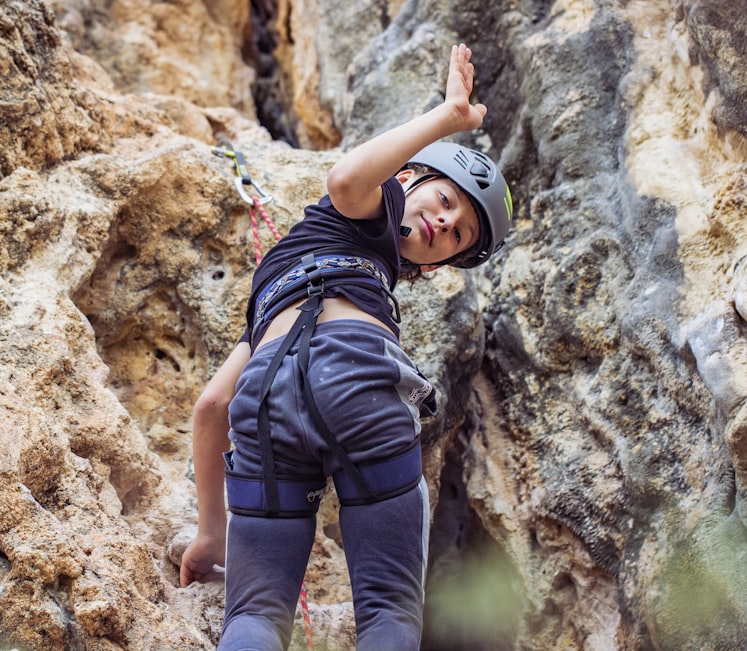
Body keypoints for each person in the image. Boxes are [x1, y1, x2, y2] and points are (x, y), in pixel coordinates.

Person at [179, 43, 513, 650]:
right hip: (359, 376)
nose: (444, 221)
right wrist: (447, 117)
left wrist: (212, 531)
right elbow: (347, 178)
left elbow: (212, 407)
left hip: (268, 392)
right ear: (407, 177)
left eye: (458, 232)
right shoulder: (372, 207)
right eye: (443, 199)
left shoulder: (297, 269)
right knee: (388, 613)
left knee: (254, 613)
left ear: (440, 266)